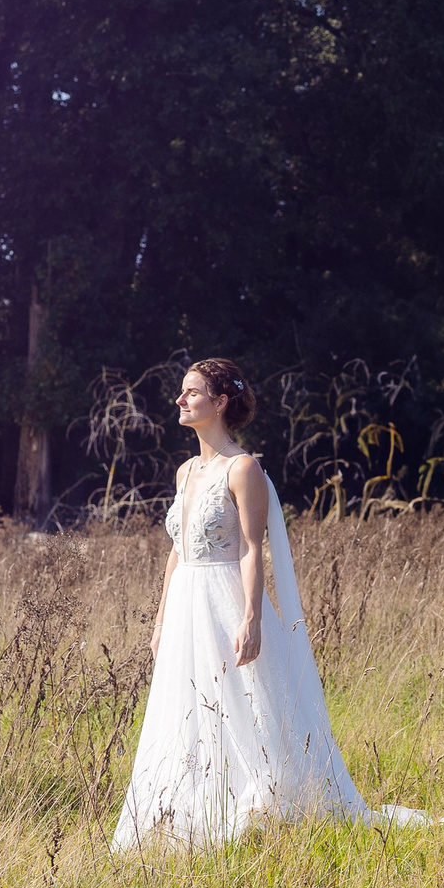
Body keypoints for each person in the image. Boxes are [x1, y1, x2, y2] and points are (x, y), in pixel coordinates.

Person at [111, 358, 374, 849]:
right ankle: (183, 809)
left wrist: (252, 617)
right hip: (186, 603)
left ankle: (263, 800)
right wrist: (161, 618)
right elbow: (178, 551)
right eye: (182, 393)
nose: (180, 400)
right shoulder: (186, 471)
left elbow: (254, 548)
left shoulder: (243, 468)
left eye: (191, 393)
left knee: (243, 702)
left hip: (224, 599)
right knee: (186, 704)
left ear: (220, 402)